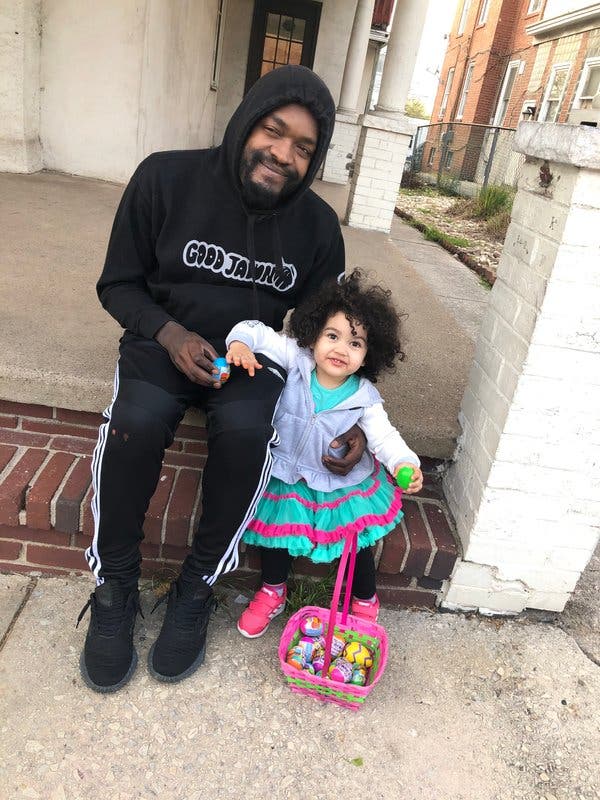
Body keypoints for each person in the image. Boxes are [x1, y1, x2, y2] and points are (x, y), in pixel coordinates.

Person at [78, 66, 369, 694]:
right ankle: (115, 588)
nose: (283, 155)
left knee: (247, 431)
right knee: (135, 421)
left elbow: (330, 335)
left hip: (254, 362)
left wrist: (353, 417)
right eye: (274, 131)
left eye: (303, 148)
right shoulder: (165, 177)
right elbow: (118, 284)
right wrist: (169, 333)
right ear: (247, 122)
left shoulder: (318, 229)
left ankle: (197, 587)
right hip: (165, 344)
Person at [224, 270, 424, 639]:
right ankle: (272, 590)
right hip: (286, 474)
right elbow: (255, 328)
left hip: (339, 482)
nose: (340, 349)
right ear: (314, 334)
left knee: (356, 539)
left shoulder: (363, 398)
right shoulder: (295, 360)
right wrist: (240, 344)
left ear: (368, 356)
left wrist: (403, 461)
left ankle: (364, 598)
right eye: (332, 336)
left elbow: (384, 436)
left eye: (356, 343)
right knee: (279, 536)